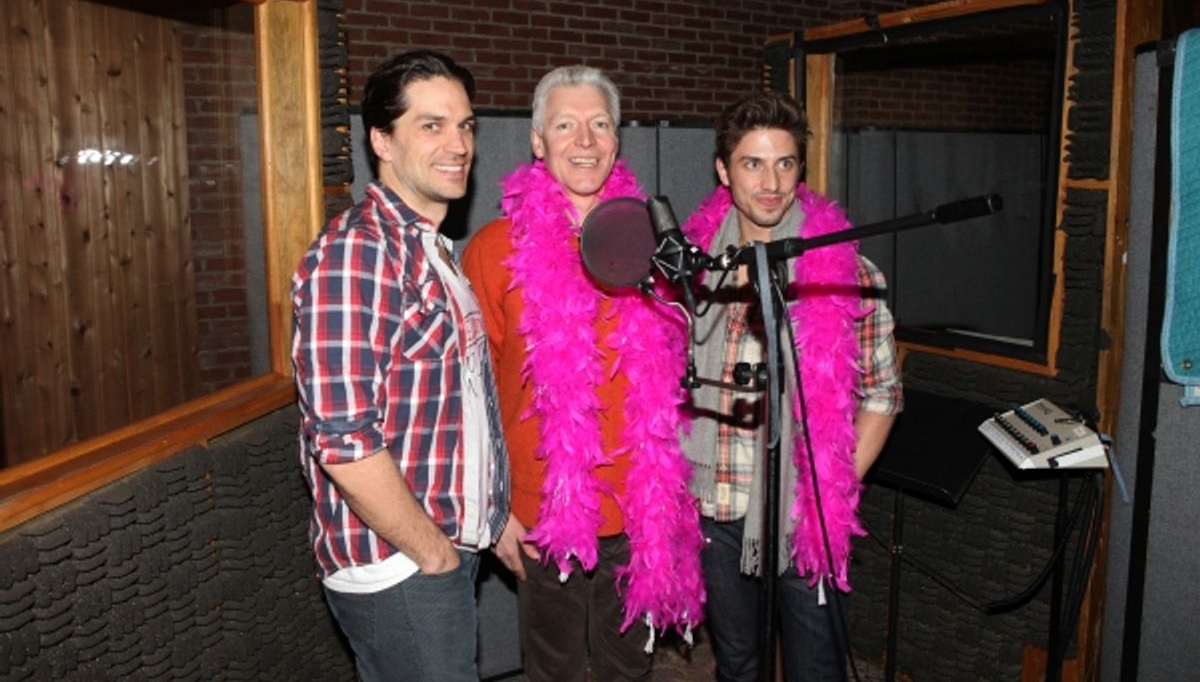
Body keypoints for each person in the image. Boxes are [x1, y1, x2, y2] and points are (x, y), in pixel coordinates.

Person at [461, 65, 704, 682]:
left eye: (600, 124)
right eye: (566, 126)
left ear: (618, 140)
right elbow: (469, 398)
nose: (586, 141)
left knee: (629, 672)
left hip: (642, 510)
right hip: (543, 513)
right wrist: (493, 512)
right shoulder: (492, 250)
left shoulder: (659, 245)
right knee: (553, 672)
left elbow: (686, 370)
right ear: (538, 143)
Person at [292, 50, 509, 682]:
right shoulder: (358, 254)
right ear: (381, 140)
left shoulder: (429, 249)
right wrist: (432, 552)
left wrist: (489, 521)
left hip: (434, 551)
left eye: (465, 125)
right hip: (399, 564)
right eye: (431, 125)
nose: (458, 143)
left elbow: (458, 408)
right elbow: (343, 442)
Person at [680, 90, 902, 682]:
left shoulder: (848, 272)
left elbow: (882, 395)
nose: (772, 181)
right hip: (716, 509)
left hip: (804, 516)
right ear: (724, 171)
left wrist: (826, 492)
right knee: (739, 663)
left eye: (786, 163)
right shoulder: (692, 268)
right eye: (753, 163)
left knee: (816, 669)